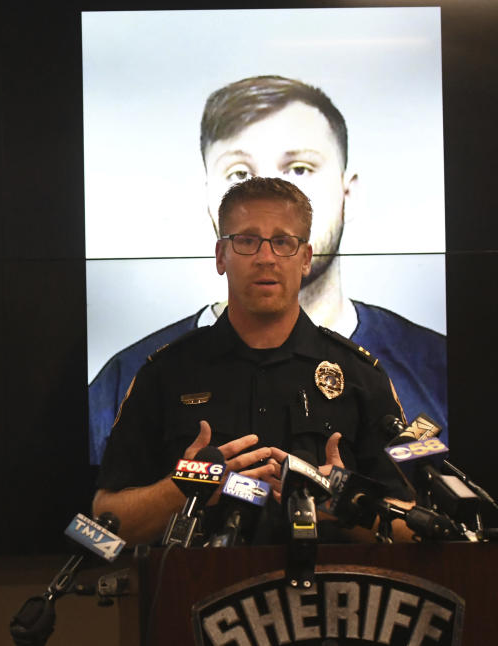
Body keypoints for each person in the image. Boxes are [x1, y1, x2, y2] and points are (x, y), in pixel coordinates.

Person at [89, 75, 446, 464]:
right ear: (209, 202)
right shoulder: (131, 377)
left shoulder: (432, 368)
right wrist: (188, 488)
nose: (270, 190)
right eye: (241, 174)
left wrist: (343, 509)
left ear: (349, 192)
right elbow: (107, 514)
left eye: (299, 168)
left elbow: (415, 515)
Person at [93, 177, 408, 545]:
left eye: (283, 242)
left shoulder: (360, 376)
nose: (265, 257)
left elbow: (414, 530)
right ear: (221, 257)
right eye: (246, 241)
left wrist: (344, 505)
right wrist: (183, 489)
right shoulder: (164, 375)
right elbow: (104, 523)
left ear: (305, 258)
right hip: (196, 593)